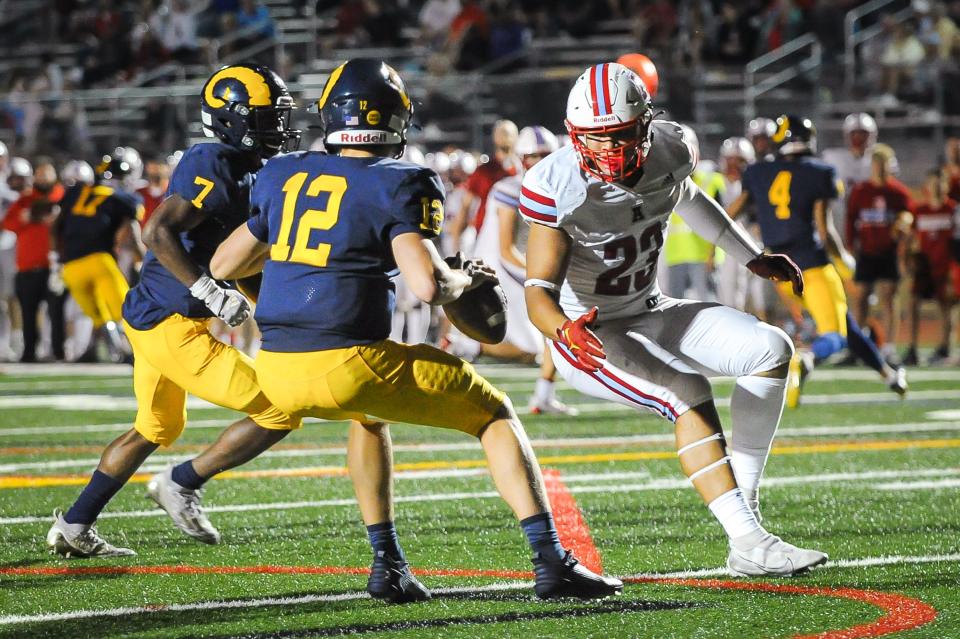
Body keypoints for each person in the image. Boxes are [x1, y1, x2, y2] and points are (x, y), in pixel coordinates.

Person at [199, 59, 621, 601]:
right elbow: (426, 284)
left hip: (278, 364)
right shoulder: (403, 180)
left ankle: (388, 565)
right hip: (349, 360)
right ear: (395, 117)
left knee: (369, 420)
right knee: (494, 414)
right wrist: (463, 279)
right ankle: (551, 560)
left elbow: (225, 264)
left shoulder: (285, 172)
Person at [523, 62, 826, 577]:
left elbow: (685, 196)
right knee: (687, 390)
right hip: (591, 333)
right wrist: (563, 330)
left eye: (620, 137)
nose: (610, 152)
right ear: (575, 137)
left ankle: (745, 517)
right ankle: (750, 541)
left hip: (650, 307)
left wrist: (749, 254)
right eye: (596, 140)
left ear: (645, 126)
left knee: (771, 349)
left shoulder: (671, 148)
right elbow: (537, 294)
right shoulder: (557, 184)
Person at [45, 64, 303, 560]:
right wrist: (207, 288)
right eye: (266, 116)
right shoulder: (213, 158)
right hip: (172, 321)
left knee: (155, 427)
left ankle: (74, 524)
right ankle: (181, 482)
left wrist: (268, 308)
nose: (277, 126)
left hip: (154, 316)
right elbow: (157, 231)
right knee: (281, 407)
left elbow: (241, 259)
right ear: (231, 118)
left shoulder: (249, 167)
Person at [730, 116, 907, 406]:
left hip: (782, 274)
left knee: (844, 324)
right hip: (813, 267)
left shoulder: (758, 172)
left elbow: (729, 215)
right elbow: (825, 230)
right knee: (834, 336)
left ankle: (888, 374)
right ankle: (805, 358)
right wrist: (845, 259)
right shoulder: (818, 172)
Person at [472, 124, 577, 414]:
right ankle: (470, 348)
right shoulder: (509, 189)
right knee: (544, 334)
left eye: (545, 155)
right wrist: (542, 274)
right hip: (500, 266)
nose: (539, 162)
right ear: (521, 158)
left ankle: (543, 395)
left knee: (552, 330)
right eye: (533, 156)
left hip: (522, 263)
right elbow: (505, 248)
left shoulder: (556, 189)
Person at [52, 148, 145, 363]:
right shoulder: (125, 199)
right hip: (99, 260)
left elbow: (56, 226)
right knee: (125, 312)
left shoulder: (76, 193)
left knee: (100, 316)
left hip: (71, 266)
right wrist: (141, 256)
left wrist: (55, 259)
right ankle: (132, 353)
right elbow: (130, 227)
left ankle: (109, 351)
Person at [846, 143, 913, 362]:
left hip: (888, 253)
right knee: (861, 298)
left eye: (884, 165)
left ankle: (889, 347)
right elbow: (851, 219)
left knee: (888, 297)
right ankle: (858, 346)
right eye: (877, 164)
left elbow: (909, 217)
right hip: (866, 251)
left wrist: (904, 228)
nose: (880, 169)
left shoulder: (899, 192)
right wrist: (850, 246)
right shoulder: (861, 191)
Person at [3, 158, 66, 362]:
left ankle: (58, 351)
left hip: (55, 265)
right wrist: (30, 216)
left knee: (57, 312)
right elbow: (9, 223)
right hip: (28, 266)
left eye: (46, 175)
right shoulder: (25, 199)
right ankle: (29, 351)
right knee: (29, 312)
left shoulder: (63, 196)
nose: (42, 179)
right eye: (39, 175)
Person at [904, 168, 957, 365]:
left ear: (945, 185)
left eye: (939, 183)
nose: (935, 187)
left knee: (945, 307)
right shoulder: (919, 210)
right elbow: (910, 238)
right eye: (932, 183)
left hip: (945, 265)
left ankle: (944, 347)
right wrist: (907, 260)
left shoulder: (953, 210)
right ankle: (912, 348)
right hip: (924, 266)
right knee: (913, 303)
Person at [447, 119, 518, 253]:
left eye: (507, 133)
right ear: (494, 137)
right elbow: (465, 206)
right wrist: (455, 243)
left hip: (517, 234)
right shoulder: (484, 171)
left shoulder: (521, 168)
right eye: (501, 133)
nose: (504, 137)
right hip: (487, 235)